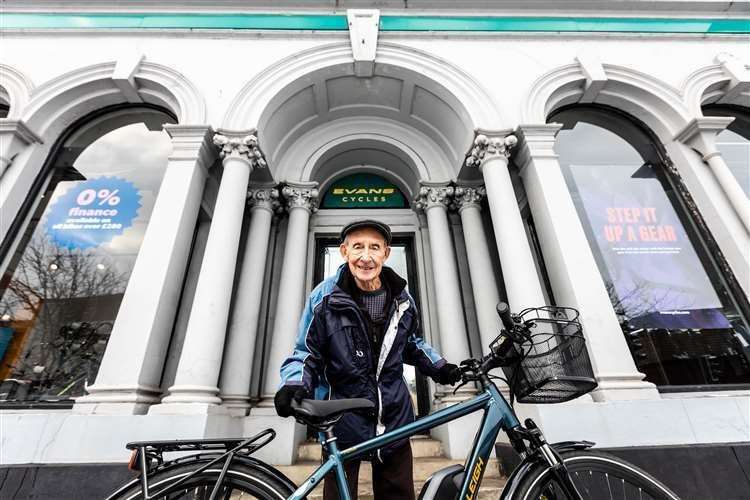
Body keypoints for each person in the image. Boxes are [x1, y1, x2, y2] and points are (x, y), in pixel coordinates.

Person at [274, 219, 462, 500]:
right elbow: (306, 352)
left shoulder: (403, 298)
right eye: (358, 247)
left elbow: (411, 344)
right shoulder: (323, 297)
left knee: (397, 494)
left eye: (374, 247)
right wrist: (293, 384)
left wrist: (441, 368)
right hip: (343, 414)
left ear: (386, 254)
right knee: (339, 494)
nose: (366, 256)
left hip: (393, 414)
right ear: (344, 251)